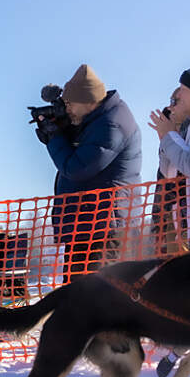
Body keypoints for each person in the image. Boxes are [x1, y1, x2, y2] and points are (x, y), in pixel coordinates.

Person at [35, 64, 142, 282]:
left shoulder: (112, 124)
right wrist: (61, 127)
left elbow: (77, 168)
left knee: (100, 304)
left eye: (69, 104)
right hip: (89, 224)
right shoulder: (97, 118)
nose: (68, 109)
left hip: (105, 228)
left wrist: (54, 137)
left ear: (90, 101)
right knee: (77, 302)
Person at [149, 61, 190, 250]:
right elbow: (170, 174)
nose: (178, 95)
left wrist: (169, 136)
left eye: (183, 89)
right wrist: (168, 137)